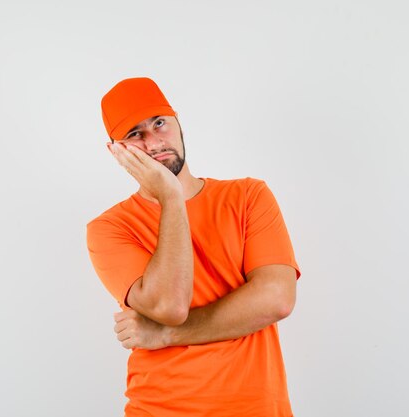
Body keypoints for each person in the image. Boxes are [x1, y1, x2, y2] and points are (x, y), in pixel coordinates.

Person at [86, 77, 302, 417]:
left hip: (257, 408)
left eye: (159, 123)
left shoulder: (248, 196)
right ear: (116, 151)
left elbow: (276, 298)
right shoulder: (110, 228)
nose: (154, 141)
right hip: (161, 409)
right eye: (134, 134)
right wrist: (170, 196)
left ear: (178, 124)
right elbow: (170, 306)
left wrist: (165, 335)